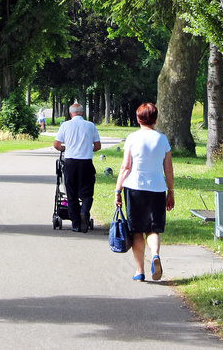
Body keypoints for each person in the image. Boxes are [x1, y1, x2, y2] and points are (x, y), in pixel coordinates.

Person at [114, 101, 174, 281]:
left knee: (136, 230)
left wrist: (118, 189)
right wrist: (170, 191)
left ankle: (139, 271)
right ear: (155, 119)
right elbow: (168, 169)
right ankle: (155, 254)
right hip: (156, 189)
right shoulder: (162, 139)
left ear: (138, 119)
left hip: (135, 188)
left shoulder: (132, 138)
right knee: (153, 228)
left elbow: (126, 167)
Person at [53, 102, 101, 232]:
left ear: (70, 114)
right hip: (86, 162)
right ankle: (84, 211)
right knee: (87, 192)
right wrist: (87, 149)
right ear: (83, 113)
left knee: (71, 193)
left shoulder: (65, 125)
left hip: (71, 163)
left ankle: (75, 223)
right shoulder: (90, 125)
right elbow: (97, 146)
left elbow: (56, 145)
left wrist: (64, 147)